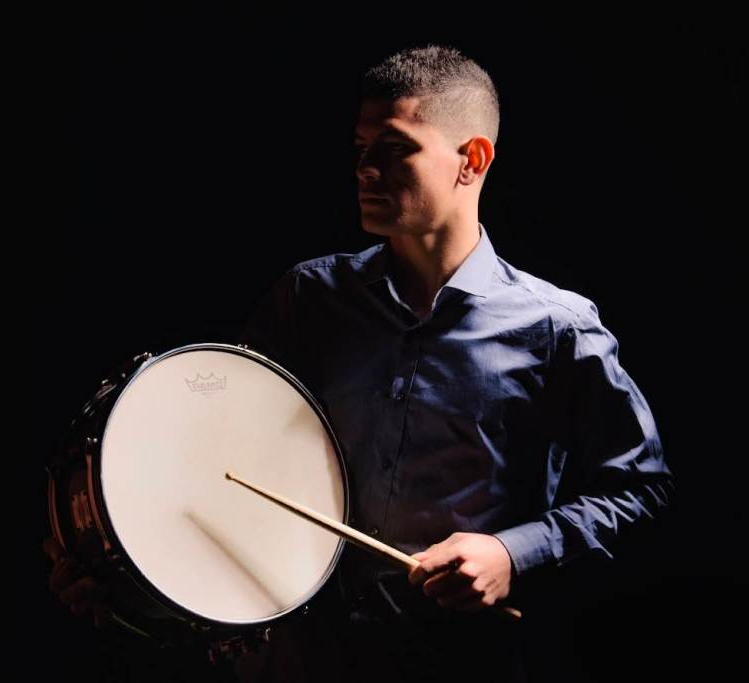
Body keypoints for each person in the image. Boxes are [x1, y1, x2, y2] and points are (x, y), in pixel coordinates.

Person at [45, 44, 676, 682]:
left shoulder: (556, 328)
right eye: (360, 148)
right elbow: (220, 466)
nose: (366, 170)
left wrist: (512, 555)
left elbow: (640, 490)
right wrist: (118, 577)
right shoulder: (306, 299)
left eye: (396, 149)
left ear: (473, 159)